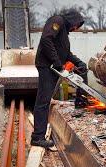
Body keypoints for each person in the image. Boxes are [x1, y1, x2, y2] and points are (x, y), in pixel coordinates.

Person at [31, 9, 88, 148]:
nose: (75, 29)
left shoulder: (64, 33)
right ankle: (38, 137)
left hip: (52, 67)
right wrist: (56, 62)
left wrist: (78, 62)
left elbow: (66, 53)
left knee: (45, 100)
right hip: (46, 66)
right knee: (43, 101)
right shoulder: (57, 21)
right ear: (73, 20)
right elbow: (46, 39)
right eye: (76, 25)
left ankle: (81, 102)